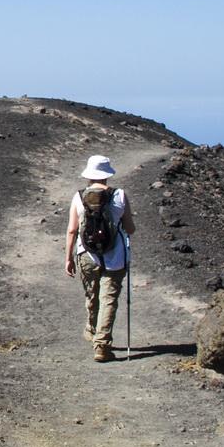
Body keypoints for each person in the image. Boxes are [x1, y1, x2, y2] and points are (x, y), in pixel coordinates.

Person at [63, 154, 136, 362]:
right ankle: (102, 346)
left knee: (92, 295)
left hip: (86, 255)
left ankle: (92, 329)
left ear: (89, 175)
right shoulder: (119, 195)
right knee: (109, 299)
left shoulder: (78, 196)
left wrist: (68, 258)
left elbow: (72, 230)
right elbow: (130, 228)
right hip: (115, 257)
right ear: (107, 175)